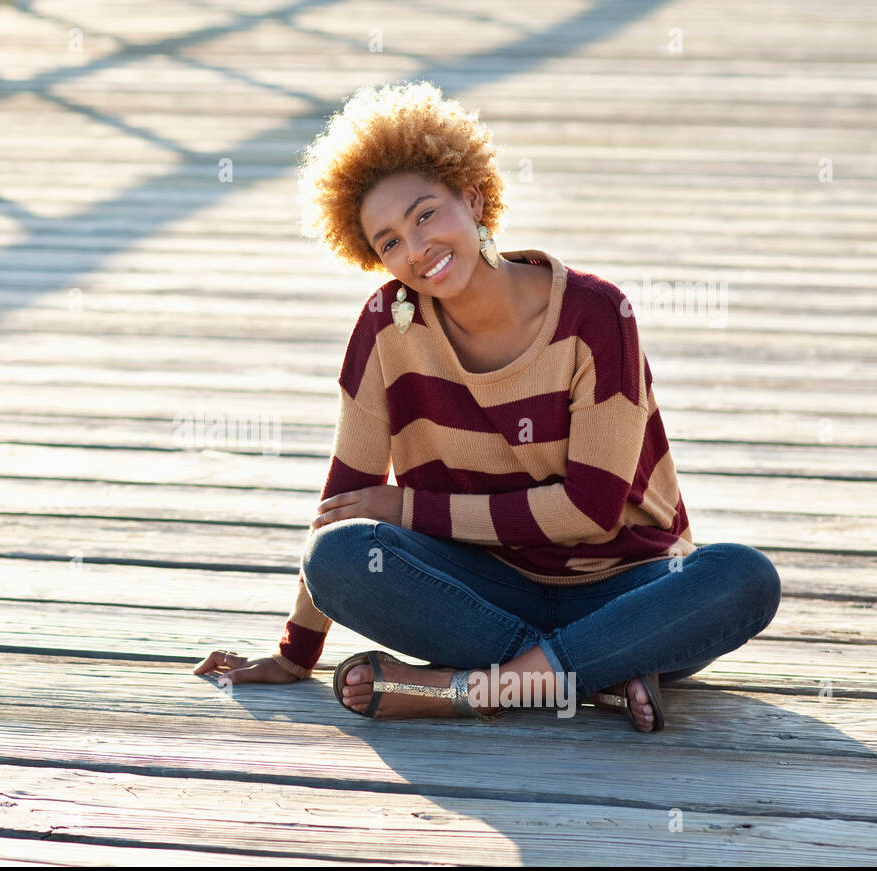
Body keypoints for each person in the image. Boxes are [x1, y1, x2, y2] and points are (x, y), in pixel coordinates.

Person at [193, 81, 781, 732]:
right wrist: (296, 652)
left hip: (628, 585)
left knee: (742, 577)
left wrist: (411, 508)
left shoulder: (595, 314)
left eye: (425, 215)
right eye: (388, 242)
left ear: (471, 196)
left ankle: (469, 690)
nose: (415, 250)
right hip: (483, 593)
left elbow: (590, 508)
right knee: (337, 558)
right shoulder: (387, 327)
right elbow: (345, 504)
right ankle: (595, 671)